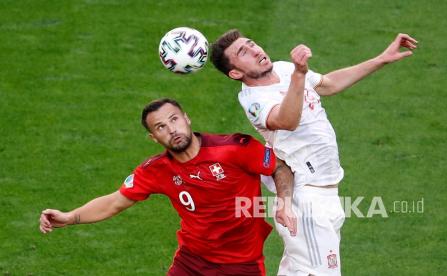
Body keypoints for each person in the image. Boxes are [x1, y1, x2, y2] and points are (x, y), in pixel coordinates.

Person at [211, 30, 417, 275]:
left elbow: (328, 85)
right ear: (235, 73)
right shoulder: (253, 101)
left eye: (252, 44)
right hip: (305, 197)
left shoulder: (284, 68)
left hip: (327, 189)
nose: (256, 50)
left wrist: (381, 58)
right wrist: (299, 74)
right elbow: (287, 120)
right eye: (243, 52)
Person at [39, 98, 297, 276]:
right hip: (192, 262)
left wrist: (284, 203)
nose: (171, 129)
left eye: (174, 119)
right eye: (161, 127)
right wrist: (70, 217)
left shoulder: (235, 148)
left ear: (186, 118)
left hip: (242, 265)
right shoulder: (156, 169)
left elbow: (279, 167)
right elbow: (115, 201)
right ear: (154, 137)